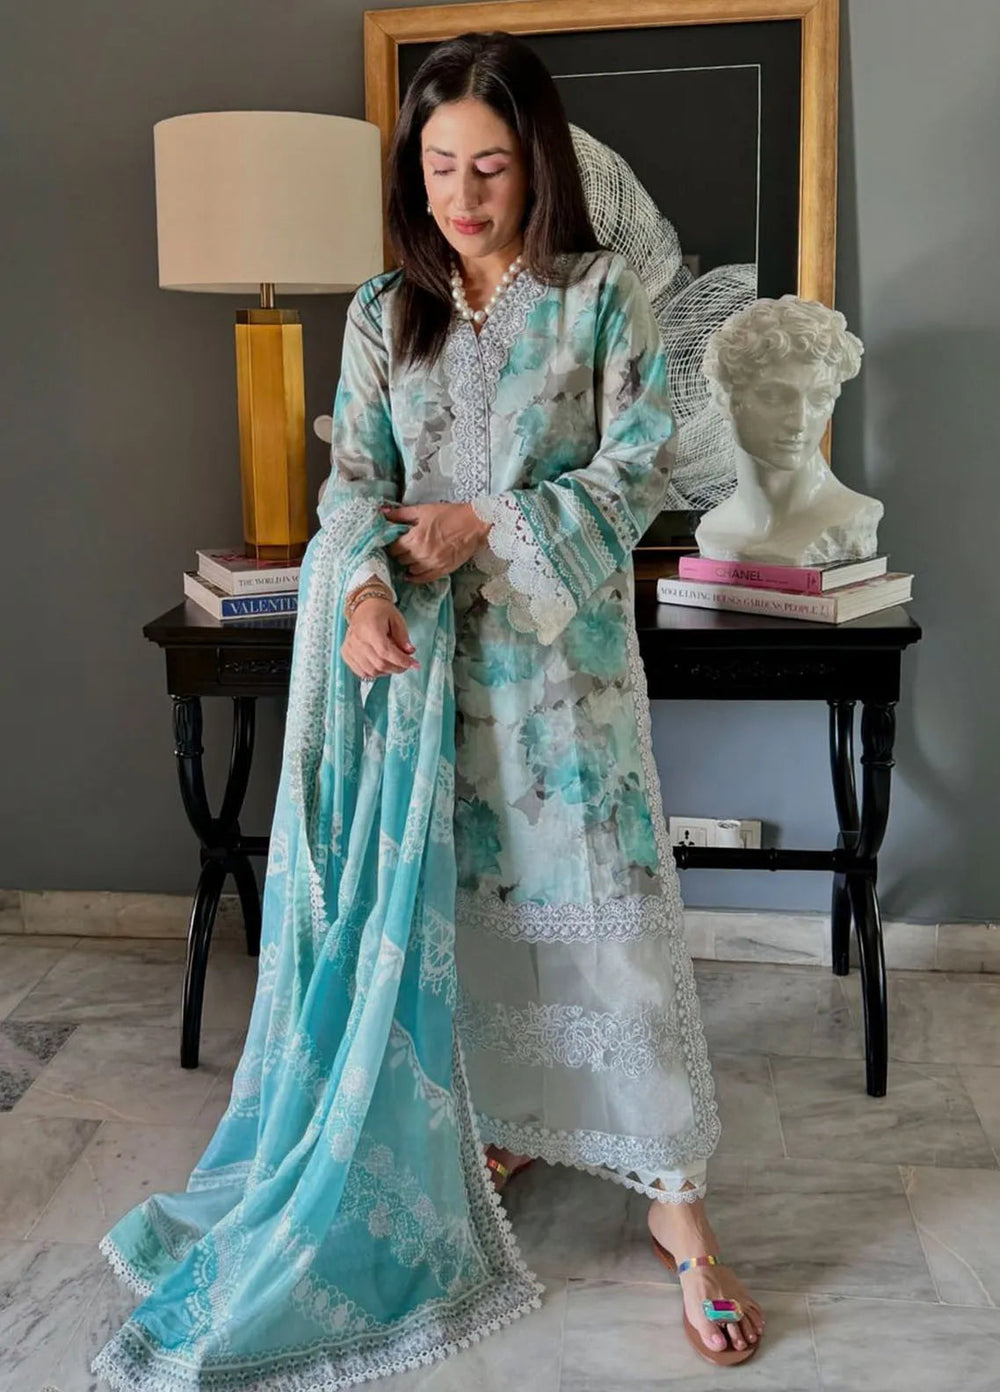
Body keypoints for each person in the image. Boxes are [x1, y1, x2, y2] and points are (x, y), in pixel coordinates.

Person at [335, 30, 765, 1365]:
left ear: (537, 166)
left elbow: (639, 467)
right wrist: (358, 593)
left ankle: (678, 1208)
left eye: (492, 167)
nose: (463, 196)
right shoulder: (381, 312)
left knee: (602, 925)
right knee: (463, 920)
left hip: (563, 676)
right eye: (440, 166)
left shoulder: (597, 299)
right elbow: (354, 481)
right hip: (429, 681)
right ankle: (504, 1125)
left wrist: (484, 519)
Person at [695, 295, 882, 564]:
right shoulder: (715, 528)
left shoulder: (850, 516)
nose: (799, 422)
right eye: (774, 396)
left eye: (820, 398)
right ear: (724, 398)